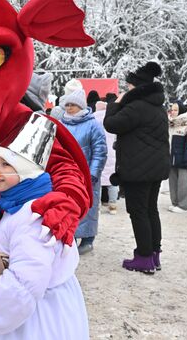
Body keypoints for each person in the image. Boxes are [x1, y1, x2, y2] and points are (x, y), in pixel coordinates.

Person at [0, 114, 89, 339]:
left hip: (39, 320)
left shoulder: (33, 217)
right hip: (40, 307)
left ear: (25, 171)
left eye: (6, 164)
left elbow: (24, 285)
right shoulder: (20, 207)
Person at [104, 61, 170, 273]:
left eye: (129, 87)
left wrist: (114, 103)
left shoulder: (137, 106)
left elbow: (111, 124)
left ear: (137, 88)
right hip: (154, 168)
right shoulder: (156, 106)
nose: (127, 90)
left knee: (138, 211)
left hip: (137, 168)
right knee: (151, 210)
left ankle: (143, 257)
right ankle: (154, 255)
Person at [60, 89, 107, 255]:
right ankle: (69, 236)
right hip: (66, 174)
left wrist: (93, 173)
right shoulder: (62, 124)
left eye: (73, 104)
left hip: (87, 176)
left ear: (81, 106)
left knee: (89, 207)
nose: (69, 108)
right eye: (67, 104)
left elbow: (100, 151)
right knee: (67, 206)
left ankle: (88, 239)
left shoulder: (93, 125)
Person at [168, 101, 187, 213]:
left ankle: (185, 205)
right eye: (172, 109)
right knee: (173, 181)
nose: (173, 112)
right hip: (172, 159)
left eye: (176, 110)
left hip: (183, 160)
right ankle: (175, 202)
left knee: (184, 183)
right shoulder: (171, 125)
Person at [93, 100, 118, 214]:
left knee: (97, 180)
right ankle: (113, 204)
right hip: (112, 152)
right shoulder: (112, 119)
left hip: (98, 151)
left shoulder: (93, 119)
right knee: (111, 179)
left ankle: (96, 205)